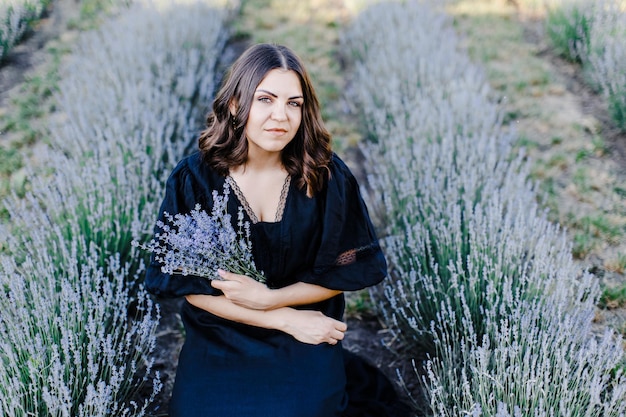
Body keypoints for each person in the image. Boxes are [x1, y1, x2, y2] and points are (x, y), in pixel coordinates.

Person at [145, 43, 409, 417]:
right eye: (265, 99)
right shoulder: (195, 180)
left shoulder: (326, 176)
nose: (280, 116)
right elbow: (187, 287)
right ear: (236, 104)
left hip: (306, 325)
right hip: (223, 330)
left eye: (293, 103)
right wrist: (277, 317)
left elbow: (346, 267)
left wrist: (273, 299)